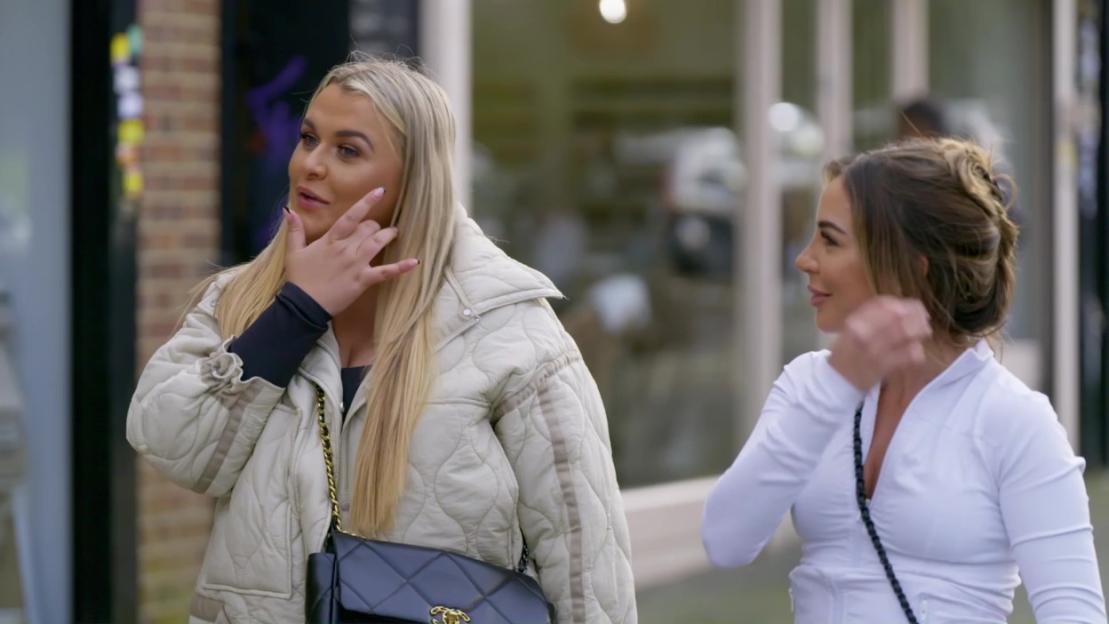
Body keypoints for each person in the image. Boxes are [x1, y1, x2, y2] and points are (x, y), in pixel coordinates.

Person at [127, 56, 637, 624]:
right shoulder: (240, 300)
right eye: (308, 139)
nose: (310, 166)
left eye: (347, 150)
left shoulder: (508, 331)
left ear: (411, 181)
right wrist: (296, 313)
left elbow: (586, 564)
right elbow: (170, 445)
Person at [701, 137, 1105, 623]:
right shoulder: (809, 384)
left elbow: (1075, 613)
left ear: (910, 266)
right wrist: (837, 385)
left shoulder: (1013, 419)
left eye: (830, 240)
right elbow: (726, 542)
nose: (804, 259)